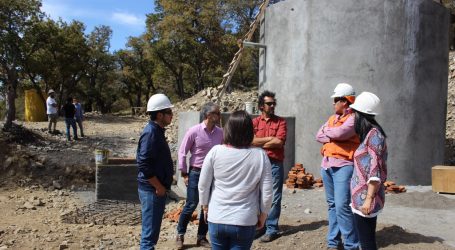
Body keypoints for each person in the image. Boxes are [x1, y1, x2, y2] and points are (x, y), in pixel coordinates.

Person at [198, 110, 273, 250]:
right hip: (245, 220)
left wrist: (205, 206)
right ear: (250, 131)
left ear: (228, 129)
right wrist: (264, 214)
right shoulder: (260, 155)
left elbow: (203, 184)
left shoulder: (215, 151)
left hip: (217, 218)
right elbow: (267, 191)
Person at [315, 83, 360, 250]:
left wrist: (331, 133)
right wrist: (332, 134)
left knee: (342, 205)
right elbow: (318, 135)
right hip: (327, 165)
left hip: (344, 166)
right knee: (333, 205)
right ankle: (333, 242)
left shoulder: (354, 118)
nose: (333, 103)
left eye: (336, 100)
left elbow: (341, 133)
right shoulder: (332, 119)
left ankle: (351, 245)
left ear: (345, 101)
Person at [175, 102, 223, 249]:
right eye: (217, 113)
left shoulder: (221, 133)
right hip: (196, 172)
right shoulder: (194, 131)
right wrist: (184, 173)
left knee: (207, 206)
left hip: (213, 174)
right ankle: (180, 234)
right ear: (208, 115)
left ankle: (201, 237)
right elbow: (182, 152)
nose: (219, 116)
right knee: (191, 204)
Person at [349, 92, 387, 250]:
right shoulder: (369, 135)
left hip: (366, 199)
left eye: (354, 113)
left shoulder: (374, 136)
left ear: (360, 115)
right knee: (365, 241)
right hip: (361, 198)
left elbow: (374, 172)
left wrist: (368, 200)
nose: (352, 117)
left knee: (367, 243)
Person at [136, 93, 174, 250]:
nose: (172, 115)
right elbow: (143, 164)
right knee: (149, 237)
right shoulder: (151, 133)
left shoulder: (157, 130)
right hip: (152, 190)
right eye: (169, 112)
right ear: (160, 115)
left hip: (155, 190)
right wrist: (158, 186)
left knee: (152, 233)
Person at [252, 90, 287, 242]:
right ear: (261, 106)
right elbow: (250, 141)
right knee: (258, 195)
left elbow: (279, 142)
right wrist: (269, 139)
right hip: (257, 163)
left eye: (274, 103)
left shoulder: (281, 122)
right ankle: (261, 227)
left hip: (274, 163)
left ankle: (272, 228)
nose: (272, 106)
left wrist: (260, 142)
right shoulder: (254, 122)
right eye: (269, 103)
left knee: (274, 196)